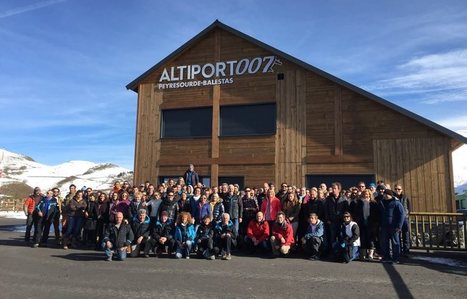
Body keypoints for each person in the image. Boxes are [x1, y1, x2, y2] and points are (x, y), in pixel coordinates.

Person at [352, 189, 380, 260]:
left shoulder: (374, 203)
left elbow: (377, 214)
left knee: (371, 239)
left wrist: (375, 224)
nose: (366, 195)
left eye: (367, 194)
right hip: (361, 223)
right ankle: (363, 254)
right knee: (362, 238)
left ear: (370, 195)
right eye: (364, 194)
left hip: (371, 224)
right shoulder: (359, 203)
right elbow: (356, 213)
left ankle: (371, 254)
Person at [379, 189, 405, 264]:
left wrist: (399, 226)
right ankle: (386, 257)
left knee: (395, 242)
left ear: (391, 195)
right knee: (385, 242)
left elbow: (401, 215)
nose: (385, 195)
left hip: (394, 226)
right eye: (384, 194)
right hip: (384, 226)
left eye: (387, 194)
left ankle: (396, 258)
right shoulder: (381, 202)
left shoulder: (397, 203)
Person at [323, 182, 349, 254]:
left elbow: (347, 211)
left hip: (341, 222)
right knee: (332, 238)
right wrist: (328, 219)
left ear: (339, 189)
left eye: (335, 188)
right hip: (332, 222)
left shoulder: (344, 199)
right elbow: (326, 210)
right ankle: (333, 253)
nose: (333, 190)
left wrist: (345, 220)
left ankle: (341, 253)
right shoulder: (328, 199)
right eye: (332, 188)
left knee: (341, 237)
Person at [394, 184, 411, 256]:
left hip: (405, 219)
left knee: (406, 235)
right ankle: (399, 251)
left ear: (402, 190)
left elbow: (409, 207)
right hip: (396, 219)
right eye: (396, 189)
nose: (397, 190)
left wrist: (406, 215)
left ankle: (406, 251)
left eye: (399, 189)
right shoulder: (393, 198)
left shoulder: (405, 197)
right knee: (397, 235)